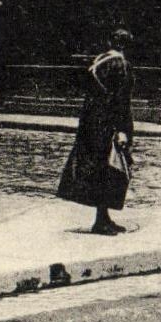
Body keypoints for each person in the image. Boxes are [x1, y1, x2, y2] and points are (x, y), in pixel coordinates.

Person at [57, 29, 135, 234]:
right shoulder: (121, 65)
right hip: (108, 125)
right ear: (125, 46)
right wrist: (122, 130)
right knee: (110, 170)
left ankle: (104, 217)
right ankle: (101, 221)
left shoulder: (99, 61)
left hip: (91, 123)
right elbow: (120, 102)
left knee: (98, 169)